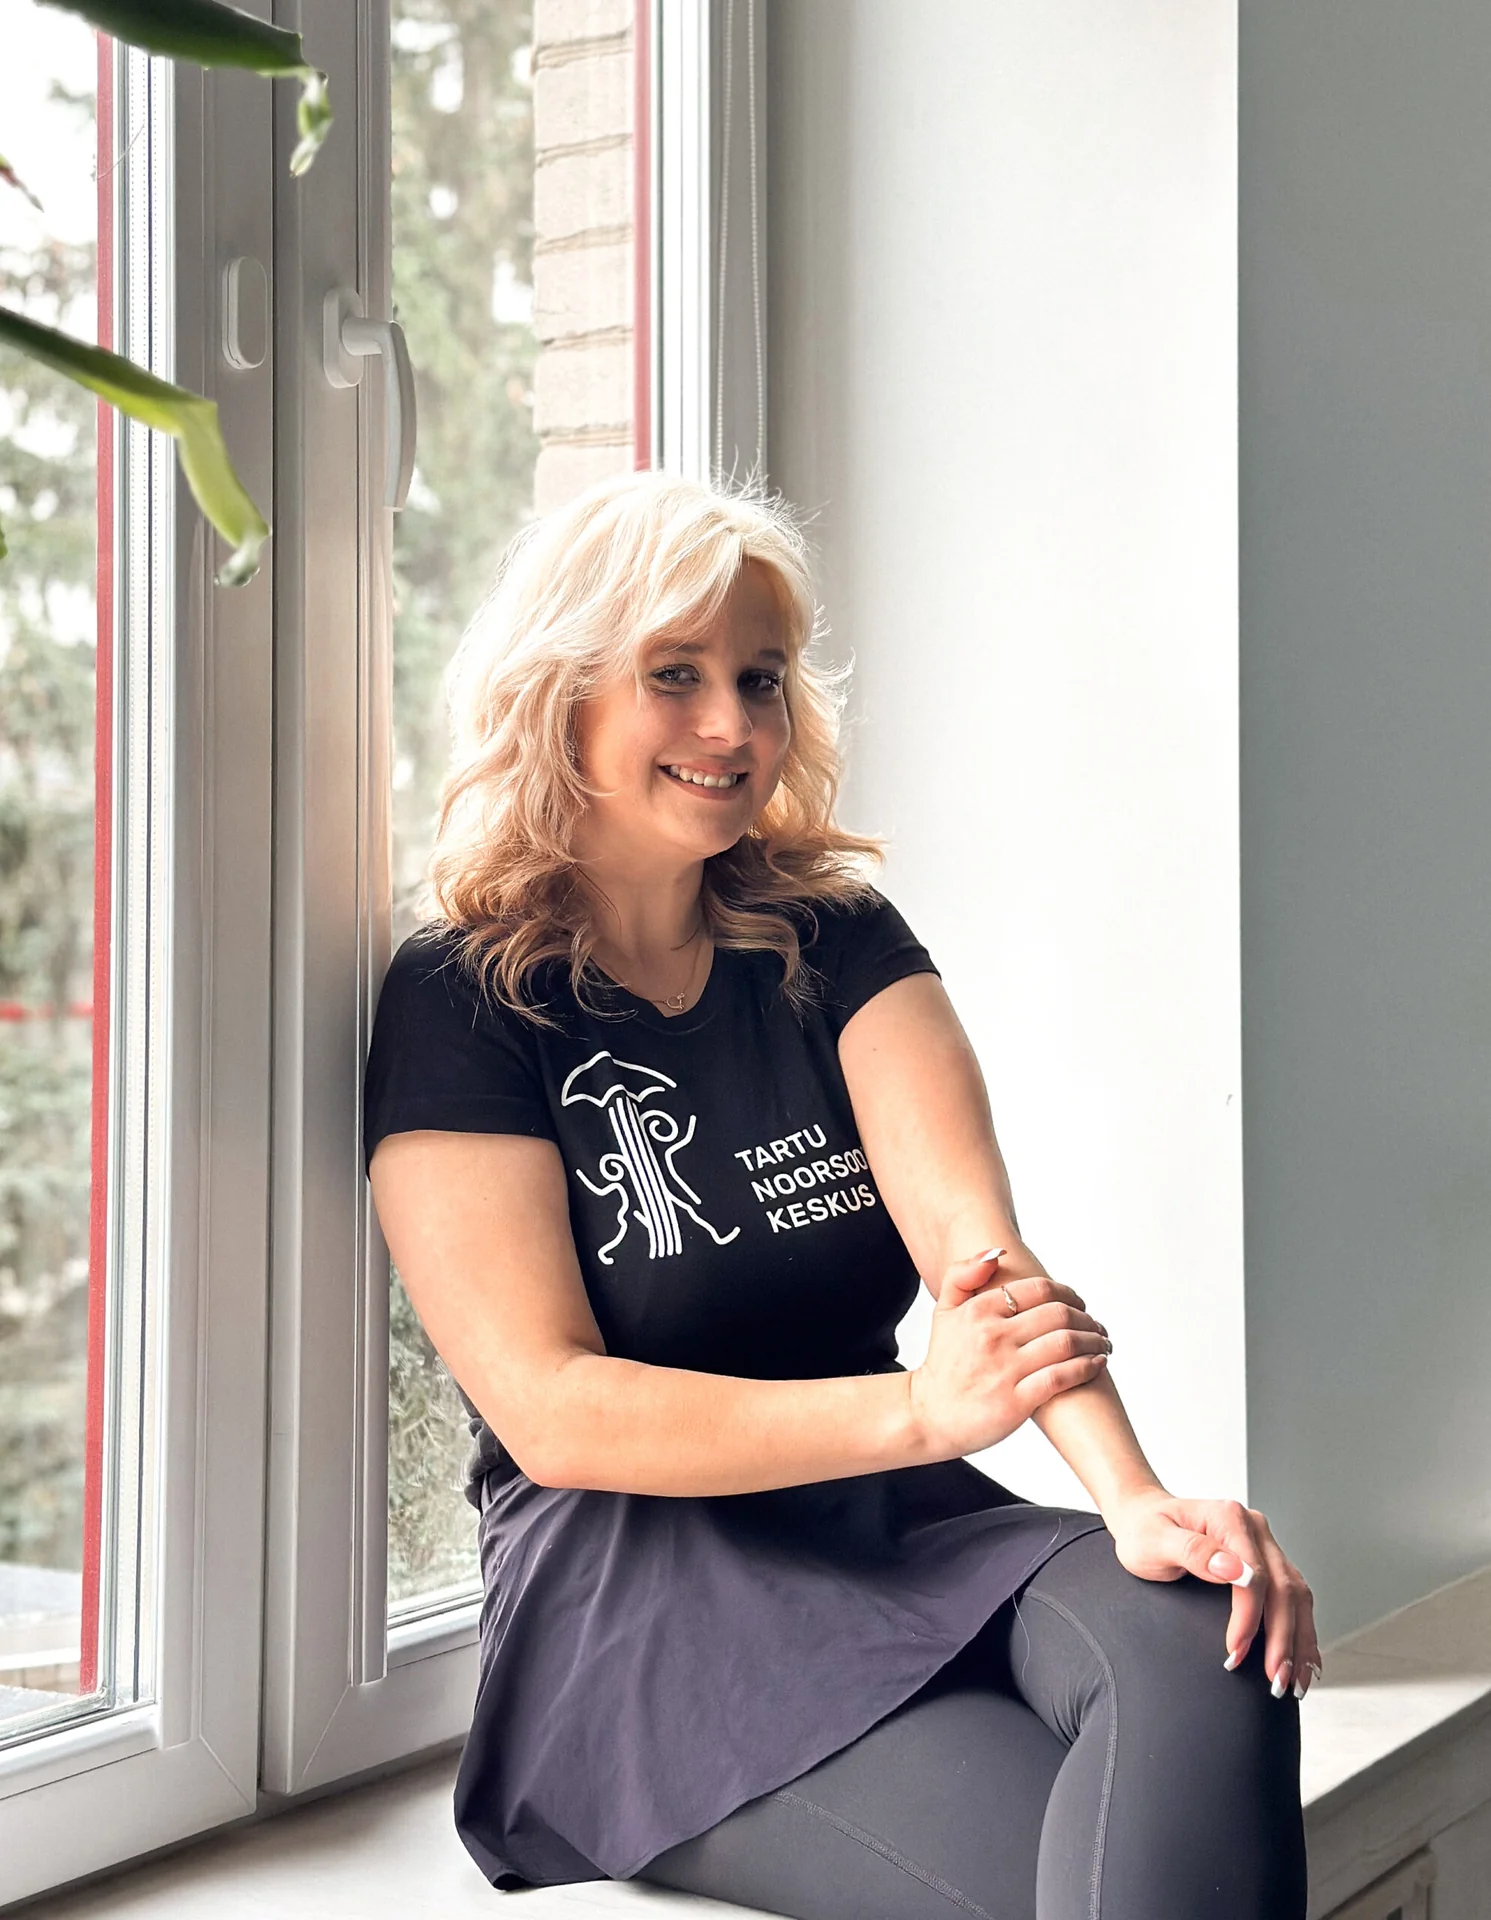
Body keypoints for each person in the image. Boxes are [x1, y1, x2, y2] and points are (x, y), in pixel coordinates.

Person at [363, 467, 1317, 1919]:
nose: (732, 725)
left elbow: (979, 1257)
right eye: (674, 675)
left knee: (1207, 1634)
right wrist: (921, 1411)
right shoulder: (464, 997)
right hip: (640, 1593)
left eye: (759, 679)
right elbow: (551, 1412)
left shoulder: (832, 937)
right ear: (562, 693)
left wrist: (1131, 1496)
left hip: (891, 1517)